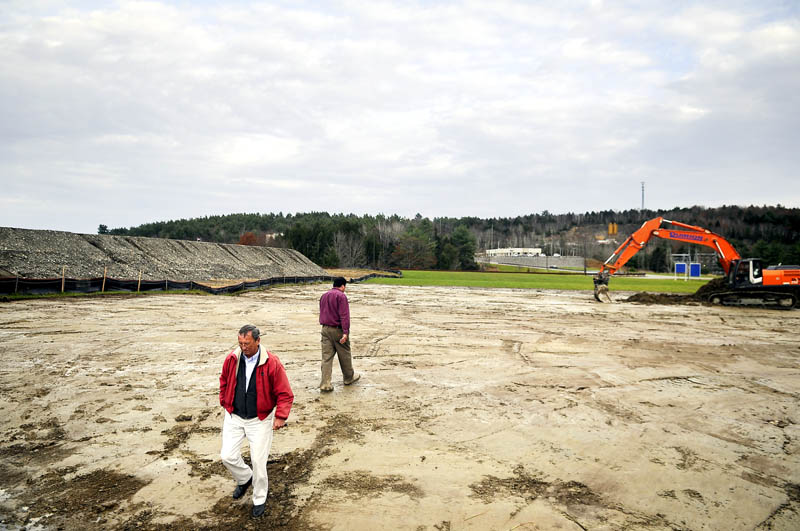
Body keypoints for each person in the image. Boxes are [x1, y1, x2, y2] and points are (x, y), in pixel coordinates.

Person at [219, 324, 294, 518]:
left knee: (259, 462)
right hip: (234, 415)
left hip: (259, 419)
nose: (244, 347)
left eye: (248, 343)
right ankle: (244, 478)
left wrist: (280, 416)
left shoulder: (272, 363)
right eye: (241, 343)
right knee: (227, 456)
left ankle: (259, 498)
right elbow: (224, 381)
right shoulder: (232, 359)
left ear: (258, 341)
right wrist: (224, 401)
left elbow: (285, 394)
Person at [318, 277, 360, 392]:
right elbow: (344, 316)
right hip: (338, 330)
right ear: (342, 286)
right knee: (344, 354)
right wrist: (345, 332)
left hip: (325, 329)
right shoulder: (341, 296)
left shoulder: (324, 295)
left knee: (326, 358)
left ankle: (325, 384)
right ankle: (348, 378)